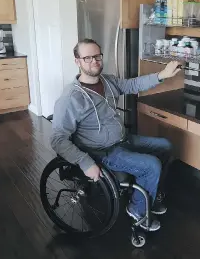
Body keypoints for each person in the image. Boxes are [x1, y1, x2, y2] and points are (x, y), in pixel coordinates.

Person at [51, 38, 181, 232]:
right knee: (151, 165)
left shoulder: (107, 81)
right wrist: (85, 163)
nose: (94, 61)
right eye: (87, 58)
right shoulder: (71, 98)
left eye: (97, 56)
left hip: (123, 139)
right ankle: (137, 209)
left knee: (165, 145)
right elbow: (57, 139)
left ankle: (148, 196)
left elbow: (132, 85)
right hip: (102, 152)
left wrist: (162, 75)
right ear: (77, 61)